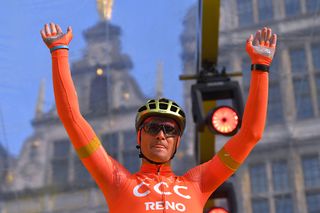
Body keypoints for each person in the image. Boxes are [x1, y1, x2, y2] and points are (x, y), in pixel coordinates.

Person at [41, 22, 277, 212]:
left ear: (177, 142)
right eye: (153, 127)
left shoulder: (198, 183)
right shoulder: (118, 181)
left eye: (170, 130)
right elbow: (72, 119)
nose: (162, 134)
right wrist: (59, 53)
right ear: (139, 136)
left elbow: (251, 135)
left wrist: (261, 66)